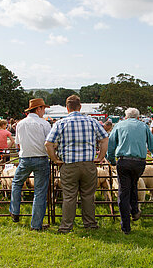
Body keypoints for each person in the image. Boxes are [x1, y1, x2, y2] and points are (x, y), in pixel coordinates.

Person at [45, 95, 109, 233]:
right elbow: (104, 139)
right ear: (80, 107)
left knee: (69, 196)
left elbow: (48, 144)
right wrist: (100, 157)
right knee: (88, 195)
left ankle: (66, 226)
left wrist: (55, 159)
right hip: (88, 164)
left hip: (68, 165)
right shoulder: (92, 121)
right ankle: (90, 224)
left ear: (67, 108)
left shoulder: (60, 123)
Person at [106, 108, 153, 234]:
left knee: (124, 192)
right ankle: (135, 211)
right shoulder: (144, 126)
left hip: (124, 161)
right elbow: (152, 144)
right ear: (137, 116)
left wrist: (111, 159)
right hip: (139, 162)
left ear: (126, 116)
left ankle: (126, 226)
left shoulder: (119, 125)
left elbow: (111, 144)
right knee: (134, 185)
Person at [9, 98, 52, 231]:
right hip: (41, 158)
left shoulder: (20, 124)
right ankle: (36, 225)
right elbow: (48, 142)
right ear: (38, 109)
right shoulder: (44, 124)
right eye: (43, 109)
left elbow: (18, 143)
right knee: (39, 191)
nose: (44, 111)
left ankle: (15, 211)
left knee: (17, 183)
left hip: (25, 159)